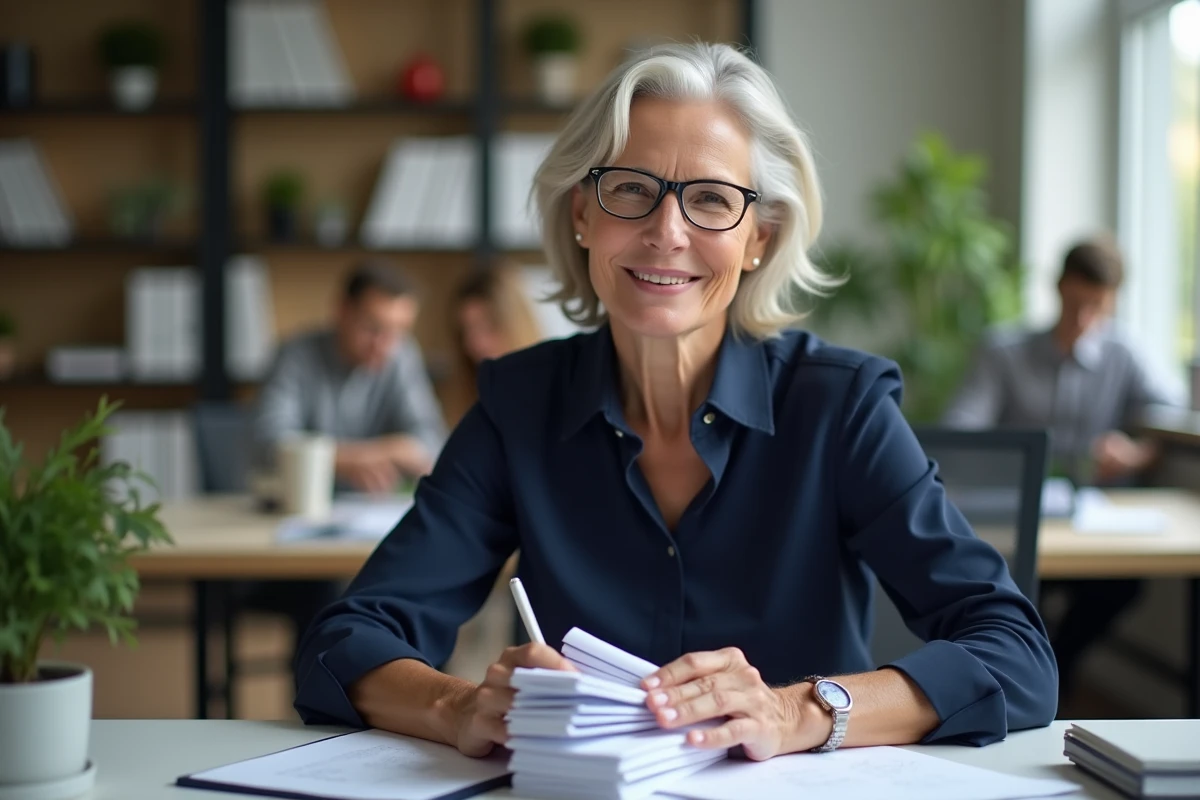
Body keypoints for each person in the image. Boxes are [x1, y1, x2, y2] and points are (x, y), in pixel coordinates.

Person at [294, 42, 1057, 761]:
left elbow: (1016, 656)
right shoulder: (518, 404)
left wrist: (800, 712)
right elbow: (346, 642)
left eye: (712, 200)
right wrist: (457, 707)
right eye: (631, 190)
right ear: (583, 215)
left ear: (759, 236)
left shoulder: (840, 407)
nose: (667, 232)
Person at [942, 237, 1183, 703]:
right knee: (1009, 590)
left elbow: (1168, 418)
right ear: (1057, 289)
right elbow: (961, 430)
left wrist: (1134, 452)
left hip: (1095, 525)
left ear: (1112, 302)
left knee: (1122, 586)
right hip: (1016, 521)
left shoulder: (1125, 354)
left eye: (1096, 306)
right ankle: (1030, 671)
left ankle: (1054, 664)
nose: (1083, 319)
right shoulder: (1004, 352)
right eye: (1075, 303)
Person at [253, 259, 448, 493]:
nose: (384, 344)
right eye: (373, 328)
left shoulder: (402, 355)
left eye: (398, 331)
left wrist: (364, 455)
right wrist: (348, 461)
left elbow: (432, 442)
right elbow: (270, 442)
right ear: (342, 311)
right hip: (299, 504)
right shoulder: (295, 355)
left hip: (374, 508)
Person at [451, 263, 544, 417]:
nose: (476, 344)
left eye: (489, 327)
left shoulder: (554, 394)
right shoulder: (474, 401)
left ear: (516, 324)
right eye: (466, 331)